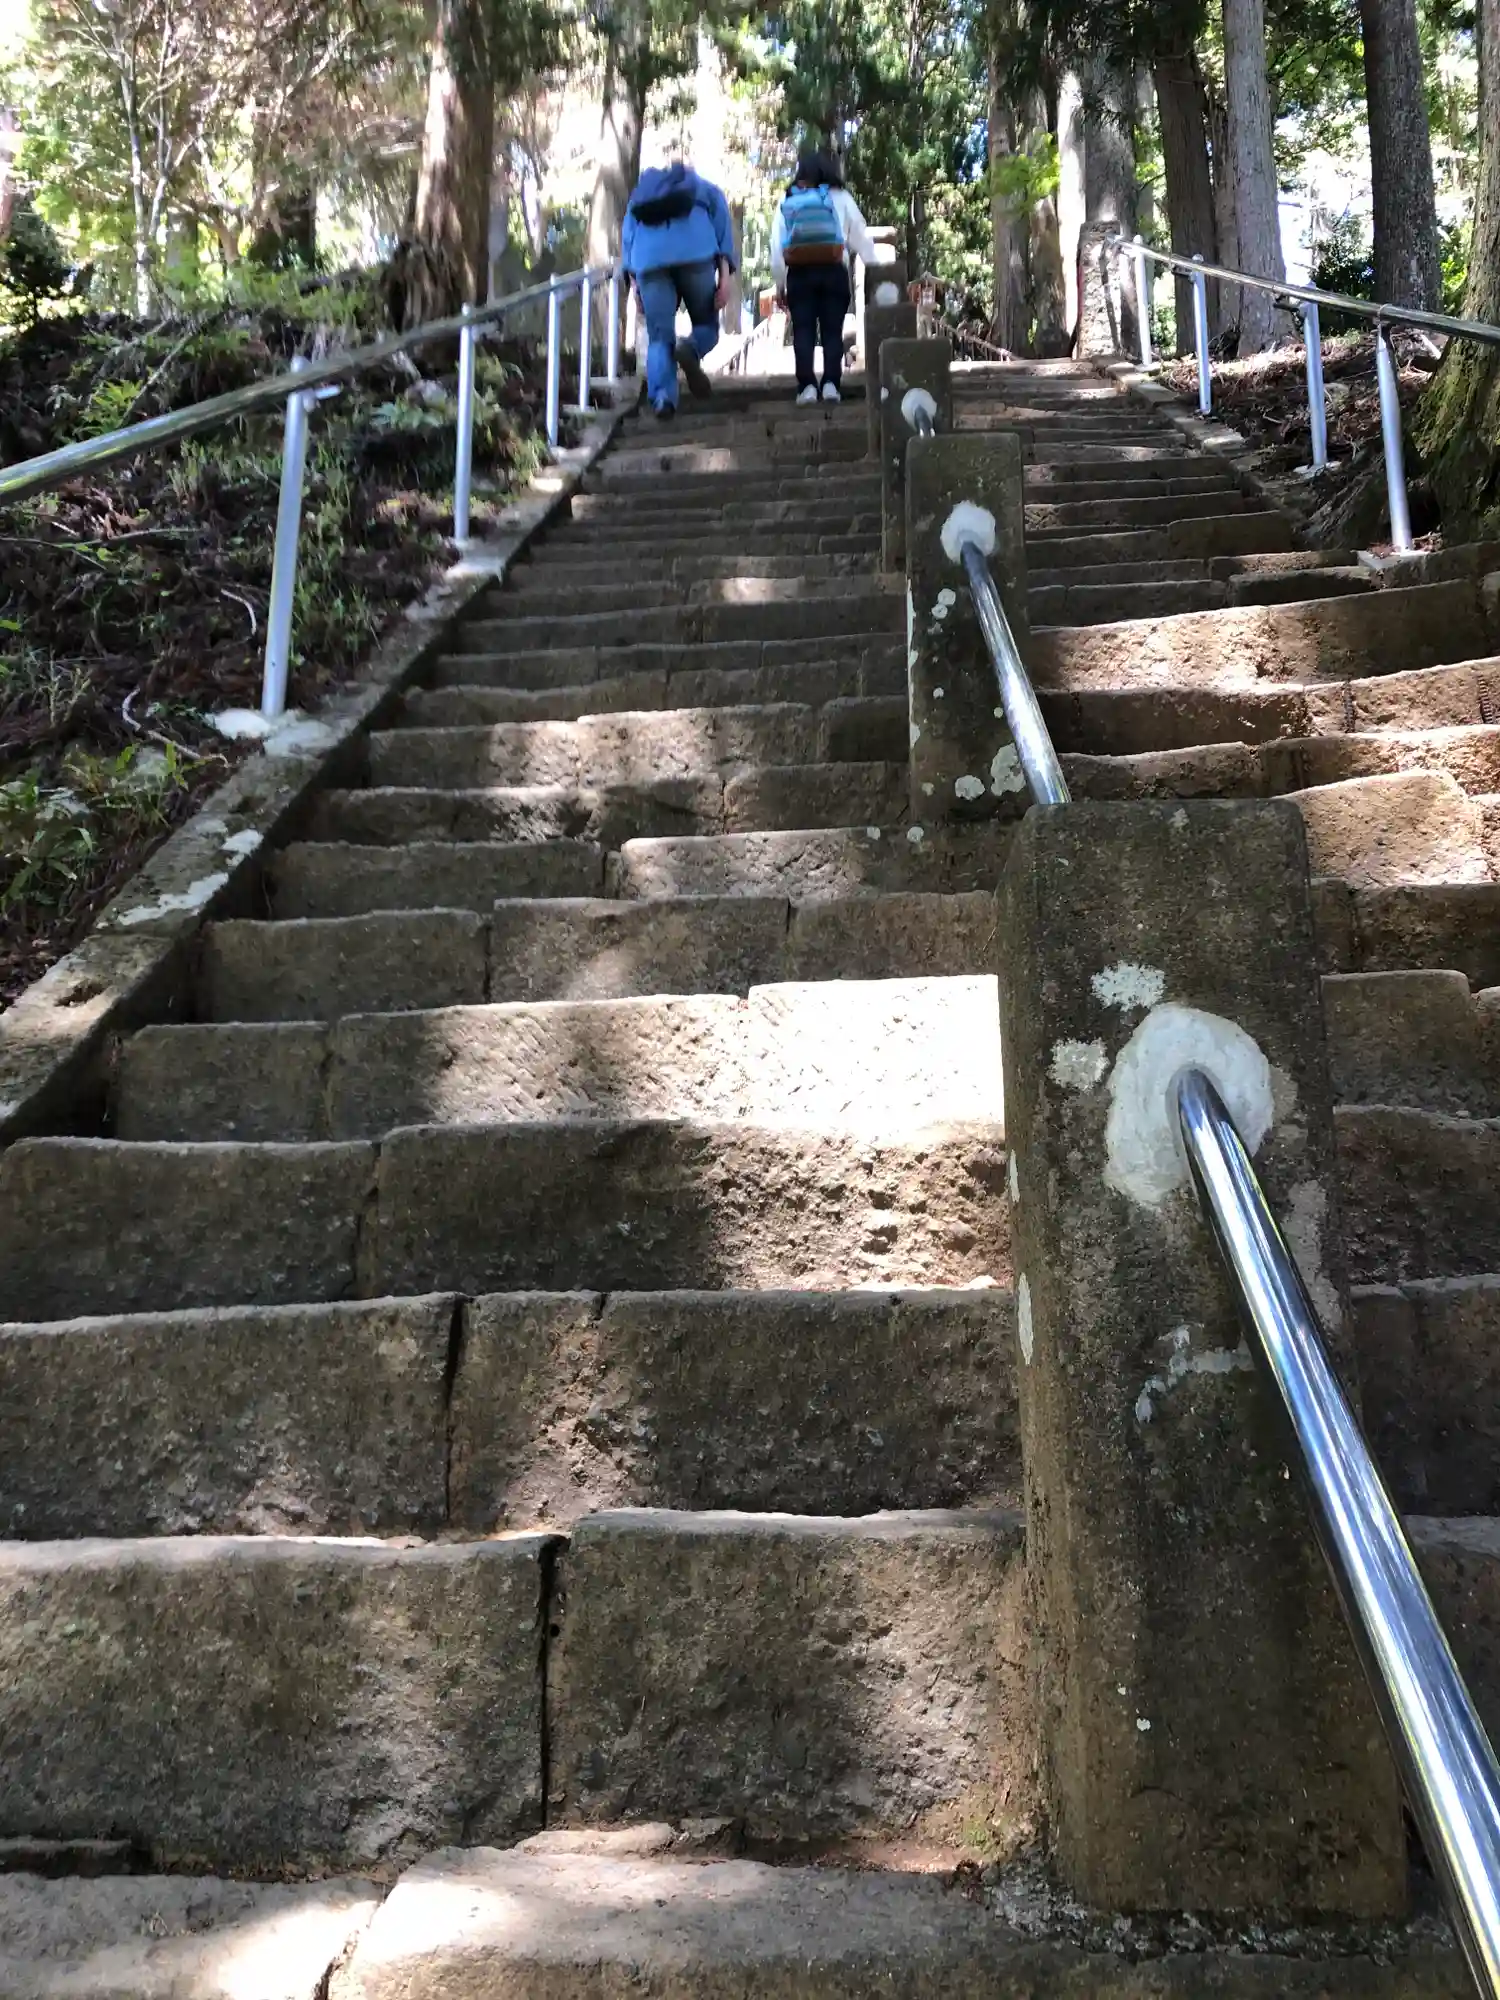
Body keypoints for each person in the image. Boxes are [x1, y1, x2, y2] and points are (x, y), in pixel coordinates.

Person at [621, 160, 738, 420]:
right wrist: (725, 278)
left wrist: (635, 286)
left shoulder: (641, 196)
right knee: (706, 325)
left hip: (649, 262)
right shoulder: (704, 188)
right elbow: (723, 235)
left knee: (659, 337)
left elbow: (628, 240)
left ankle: (663, 398)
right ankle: (690, 348)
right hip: (696, 255)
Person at [771, 150, 882, 406]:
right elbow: (861, 236)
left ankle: (807, 387)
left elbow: (777, 245)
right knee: (833, 330)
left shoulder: (789, 197)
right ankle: (831, 384)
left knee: (803, 331)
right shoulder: (841, 197)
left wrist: (780, 283)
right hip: (833, 271)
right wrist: (876, 268)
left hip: (799, 273)